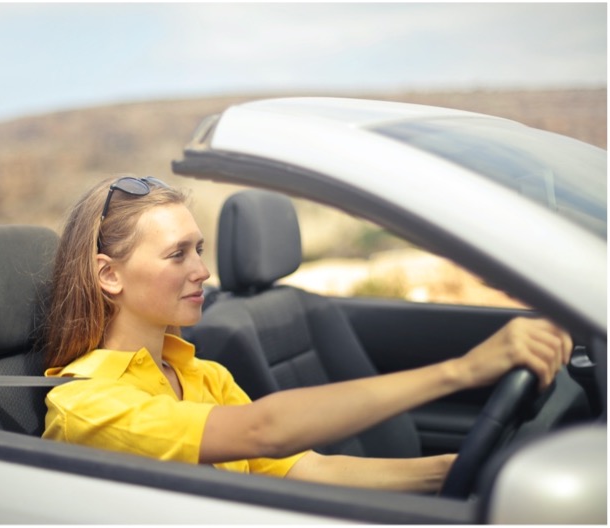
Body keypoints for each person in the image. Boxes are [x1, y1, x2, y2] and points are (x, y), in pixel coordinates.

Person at [42, 175, 572, 492]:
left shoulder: (202, 374)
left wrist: (465, 470)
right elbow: (262, 430)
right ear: (108, 274)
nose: (202, 271)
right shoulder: (87, 403)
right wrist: (461, 371)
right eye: (177, 254)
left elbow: (309, 471)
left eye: (199, 249)